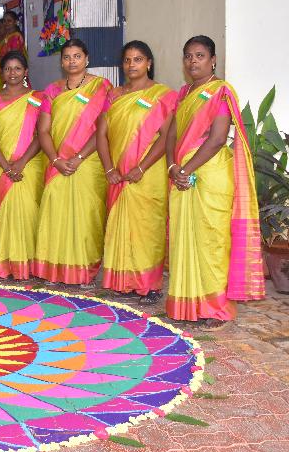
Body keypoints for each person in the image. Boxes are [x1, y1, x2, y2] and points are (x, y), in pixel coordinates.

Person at [165, 35, 264, 330]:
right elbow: (170, 135)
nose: (193, 61)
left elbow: (218, 138)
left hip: (210, 173)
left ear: (213, 60)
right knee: (186, 238)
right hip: (182, 171)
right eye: (188, 56)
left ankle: (216, 308)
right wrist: (172, 166)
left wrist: (185, 169)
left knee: (211, 241)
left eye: (199, 55)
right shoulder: (183, 93)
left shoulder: (220, 91)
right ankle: (188, 303)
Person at [97, 41, 177, 305]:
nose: (132, 65)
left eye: (138, 59)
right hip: (118, 174)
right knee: (120, 226)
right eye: (128, 60)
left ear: (149, 63)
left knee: (148, 227)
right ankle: (122, 282)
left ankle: (148, 285)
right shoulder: (115, 95)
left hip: (148, 172)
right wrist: (109, 167)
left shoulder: (163, 95)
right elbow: (102, 134)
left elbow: (166, 137)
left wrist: (142, 167)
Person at [34, 39, 112, 285]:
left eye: (77, 56)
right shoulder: (52, 90)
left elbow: (103, 129)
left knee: (87, 215)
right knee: (54, 212)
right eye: (67, 57)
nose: (72, 61)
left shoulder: (102, 87)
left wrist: (78, 157)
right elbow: (43, 131)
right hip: (58, 162)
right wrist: (56, 159)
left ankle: (83, 270)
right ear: (61, 62)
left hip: (88, 161)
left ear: (87, 59)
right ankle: (55, 269)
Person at [0, 51, 45, 280]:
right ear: (1, 73)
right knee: (6, 214)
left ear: (26, 72)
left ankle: (29, 263)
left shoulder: (39, 98)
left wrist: (21, 162)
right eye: (8, 69)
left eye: (18, 69)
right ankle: (5, 263)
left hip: (30, 163)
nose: (13, 73)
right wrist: (7, 167)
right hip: (0, 165)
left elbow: (42, 134)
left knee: (29, 212)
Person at [0, 11, 26, 96]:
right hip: (2, 69)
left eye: (9, 21)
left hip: (10, 69)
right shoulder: (8, 36)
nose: (6, 23)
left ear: (15, 22)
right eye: (4, 21)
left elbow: (13, 57)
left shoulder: (16, 36)